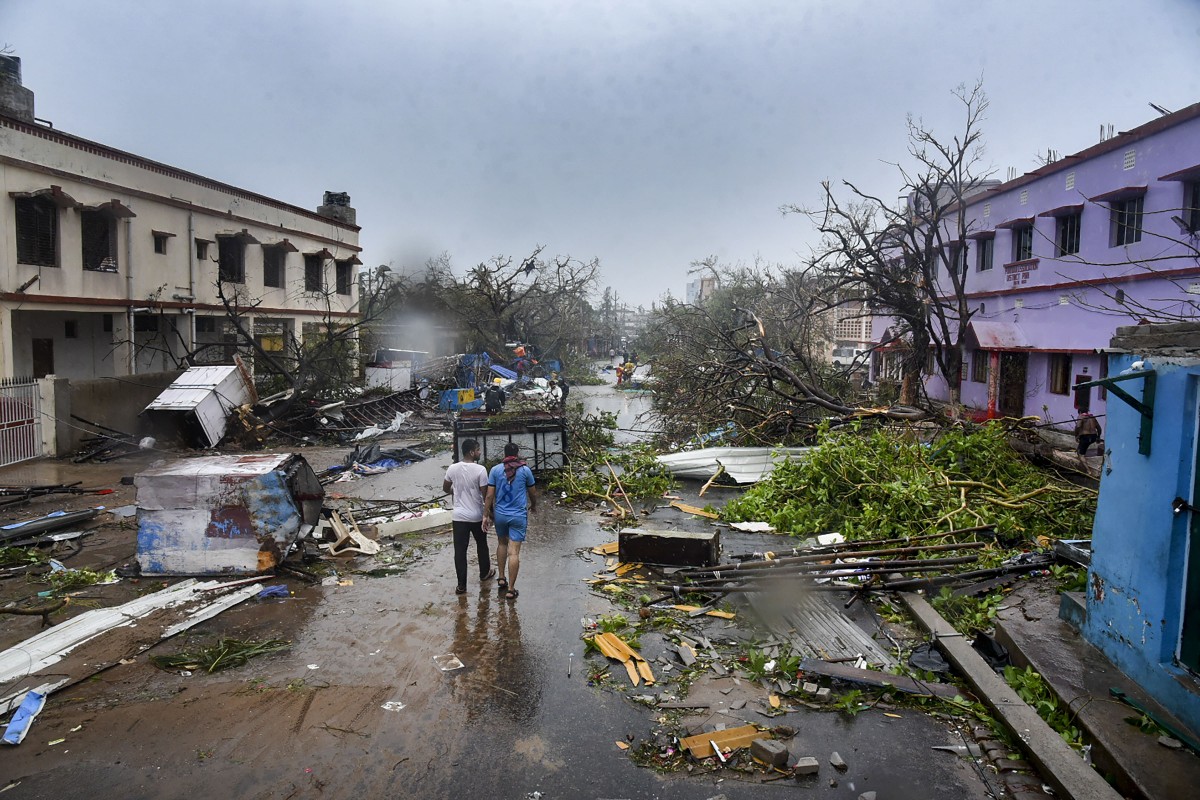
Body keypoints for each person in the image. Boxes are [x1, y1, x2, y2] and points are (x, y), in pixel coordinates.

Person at [485, 442, 537, 600]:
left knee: (501, 544)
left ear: (504, 453)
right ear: (517, 453)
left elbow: (489, 495)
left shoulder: (495, 470)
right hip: (518, 516)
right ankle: (511, 589)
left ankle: (501, 577)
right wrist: (534, 505)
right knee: (513, 552)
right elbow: (532, 492)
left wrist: (486, 512)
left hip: (500, 515)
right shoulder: (525, 470)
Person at [442, 438, 494, 594]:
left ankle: (461, 585)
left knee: (460, 551)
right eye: (478, 450)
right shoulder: (480, 470)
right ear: (472, 452)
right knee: (481, 545)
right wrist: (489, 513)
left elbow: (445, 488)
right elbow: (486, 495)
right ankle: (484, 573)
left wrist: (455, 491)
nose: (479, 452)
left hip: (458, 517)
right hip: (477, 515)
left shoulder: (452, 468)